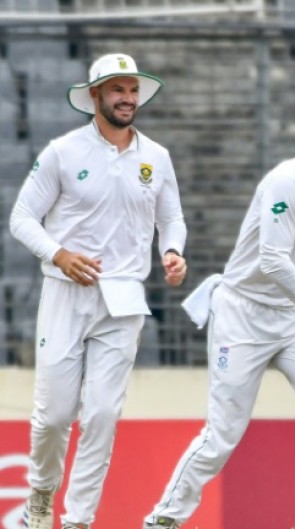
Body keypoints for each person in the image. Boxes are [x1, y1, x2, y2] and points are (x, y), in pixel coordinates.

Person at [140, 101, 295, 529]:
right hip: (243, 313)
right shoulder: (287, 182)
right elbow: (273, 260)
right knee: (223, 434)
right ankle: (164, 518)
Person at [9, 53, 187, 529]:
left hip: (124, 297)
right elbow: (22, 218)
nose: (127, 99)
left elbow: (171, 217)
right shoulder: (63, 152)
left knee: (103, 415)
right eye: (117, 90)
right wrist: (59, 255)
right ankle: (41, 495)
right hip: (66, 293)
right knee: (53, 416)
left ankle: (78, 520)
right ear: (95, 96)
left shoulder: (156, 157)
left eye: (132, 90)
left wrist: (173, 251)